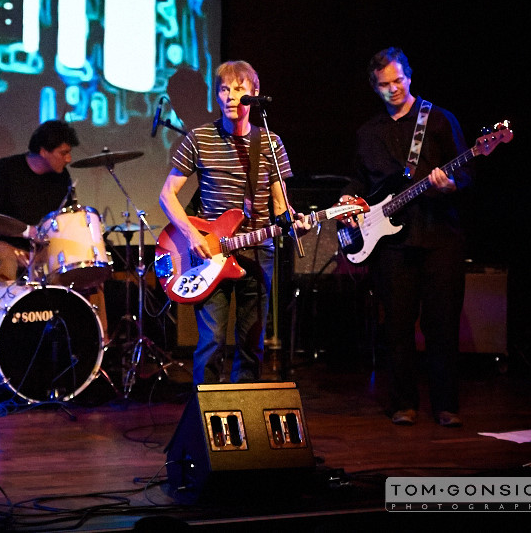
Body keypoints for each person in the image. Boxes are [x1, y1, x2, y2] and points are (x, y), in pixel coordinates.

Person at [338, 47, 471, 428]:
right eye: (385, 84)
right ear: (374, 87)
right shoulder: (368, 133)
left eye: (398, 80)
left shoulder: (440, 120)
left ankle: (446, 405)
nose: (394, 88)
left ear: (409, 77)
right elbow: (359, 180)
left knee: (442, 325)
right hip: (391, 244)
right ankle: (403, 403)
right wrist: (348, 200)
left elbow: (467, 175)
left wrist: (450, 184)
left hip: (440, 237)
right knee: (396, 327)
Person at [159, 60, 306, 384]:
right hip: (211, 253)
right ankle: (205, 411)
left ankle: (243, 408)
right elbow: (167, 195)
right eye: (224, 89)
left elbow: (280, 206)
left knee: (252, 343)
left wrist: (295, 222)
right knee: (211, 341)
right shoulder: (199, 138)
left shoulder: (271, 143)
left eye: (239, 89)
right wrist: (192, 235)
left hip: (259, 252)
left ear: (254, 93)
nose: (230, 96)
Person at [0, 119, 80, 282]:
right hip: (2, 245)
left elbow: (65, 219)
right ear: (43, 151)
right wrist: (27, 232)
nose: (68, 159)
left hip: (42, 250)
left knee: (79, 268)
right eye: (63, 153)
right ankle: (8, 299)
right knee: (6, 262)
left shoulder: (62, 177)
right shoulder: (5, 169)